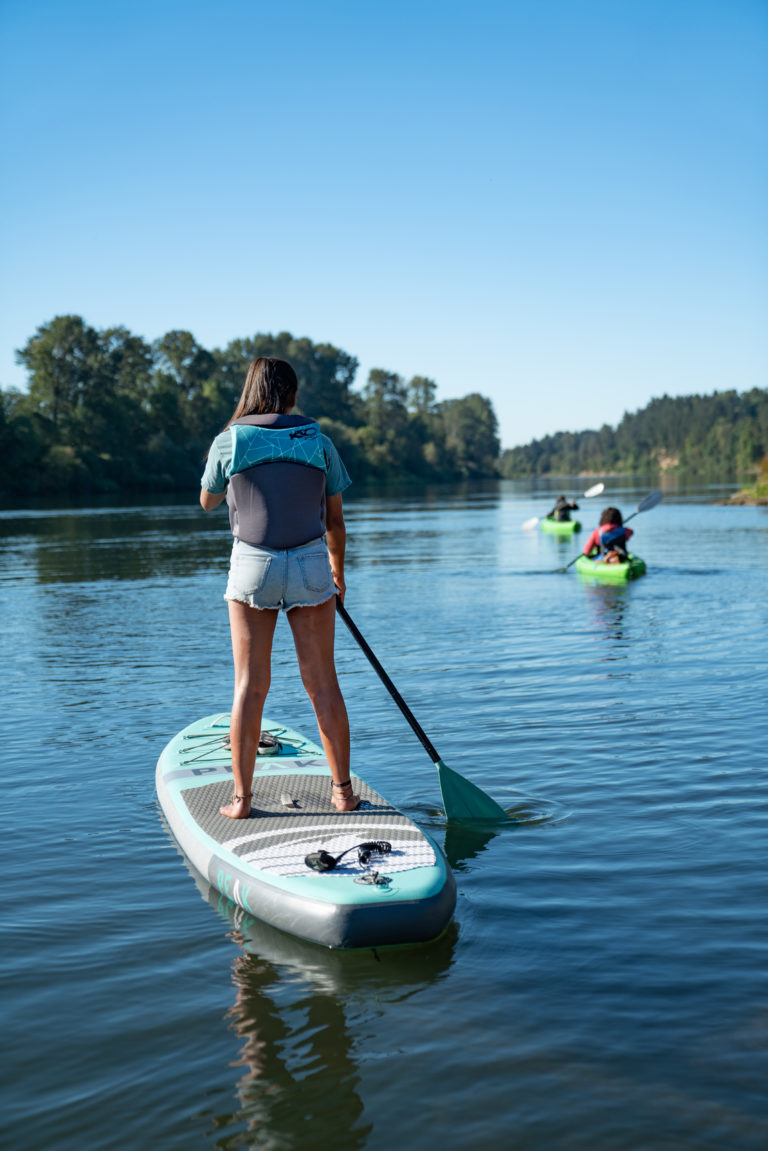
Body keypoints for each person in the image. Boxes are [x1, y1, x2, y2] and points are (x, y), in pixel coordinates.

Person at [200, 356, 358, 820]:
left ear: (250, 392)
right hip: (311, 562)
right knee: (323, 682)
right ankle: (343, 793)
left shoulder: (230, 441)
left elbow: (208, 501)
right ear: (292, 395)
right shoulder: (318, 441)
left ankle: (241, 801)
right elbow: (335, 521)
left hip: (254, 564)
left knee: (250, 685)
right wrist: (337, 573)